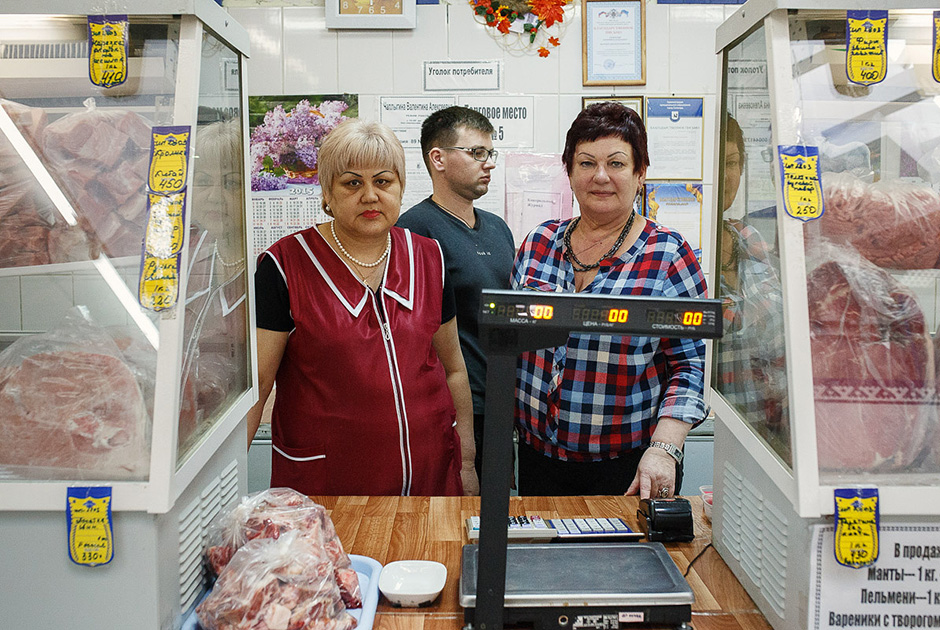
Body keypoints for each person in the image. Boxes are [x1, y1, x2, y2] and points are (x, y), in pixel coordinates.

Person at [246, 119, 478, 496]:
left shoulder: (429, 257)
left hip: (430, 476)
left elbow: (454, 369)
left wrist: (466, 463)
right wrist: (223, 492)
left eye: (383, 181)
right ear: (327, 193)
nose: (370, 195)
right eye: (352, 182)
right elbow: (256, 388)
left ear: (400, 187)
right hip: (327, 486)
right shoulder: (285, 265)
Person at [511, 102, 708, 498]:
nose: (600, 176)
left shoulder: (668, 254)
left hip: (629, 469)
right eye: (586, 163)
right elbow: (512, 346)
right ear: (569, 172)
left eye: (616, 163)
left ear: (640, 174)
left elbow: (689, 366)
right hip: (536, 462)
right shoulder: (538, 244)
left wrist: (665, 449)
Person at [396, 106, 516, 480]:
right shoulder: (413, 231)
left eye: (490, 153)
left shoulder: (498, 229)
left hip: (502, 406)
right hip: (449, 411)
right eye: (477, 153)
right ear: (439, 158)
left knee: (497, 521)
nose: (488, 163)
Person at [715, 115, 788, 448]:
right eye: (715, 162)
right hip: (706, 433)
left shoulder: (749, 237)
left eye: (731, 162)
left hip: (768, 433)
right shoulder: (673, 250)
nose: (724, 175)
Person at [181, 118, 250, 450]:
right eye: (203, 181)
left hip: (257, 422)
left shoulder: (272, 263)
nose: (213, 196)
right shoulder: (190, 258)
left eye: (231, 182)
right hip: (200, 420)